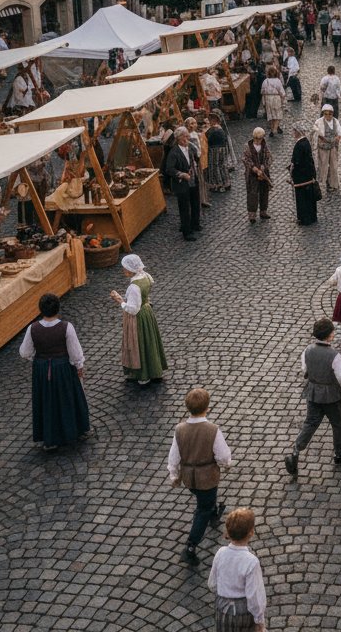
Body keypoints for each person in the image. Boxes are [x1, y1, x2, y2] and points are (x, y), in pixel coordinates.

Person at [284, 317, 341, 478]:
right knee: (337, 424)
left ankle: (296, 450)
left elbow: (305, 369)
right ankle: (340, 454)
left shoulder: (307, 351)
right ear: (330, 335)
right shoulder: (334, 355)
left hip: (313, 393)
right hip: (331, 396)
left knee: (310, 423)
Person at [167, 387, 232, 566]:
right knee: (202, 509)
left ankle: (212, 510)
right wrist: (226, 464)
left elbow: (174, 455)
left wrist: (173, 474)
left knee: (204, 498)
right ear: (207, 407)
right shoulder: (212, 430)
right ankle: (191, 545)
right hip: (207, 477)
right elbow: (223, 456)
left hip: (189, 478)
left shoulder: (180, 429)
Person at [19, 292, 90, 450]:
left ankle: (50, 438)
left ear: (41, 310)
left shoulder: (33, 328)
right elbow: (75, 352)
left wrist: (39, 360)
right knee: (68, 398)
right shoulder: (67, 327)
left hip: (42, 370)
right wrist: (79, 367)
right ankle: (73, 431)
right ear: (58, 309)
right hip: (64, 369)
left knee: (47, 401)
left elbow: (24, 352)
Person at [110, 253, 167, 386]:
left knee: (138, 343)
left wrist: (120, 301)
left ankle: (143, 374)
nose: (123, 270)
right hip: (147, 311)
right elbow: (150, 285)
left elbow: (133, 309)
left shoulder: (134, 287)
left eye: (125, 268)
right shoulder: (146, 276)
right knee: (150, 341)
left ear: (130, 270)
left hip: (139, 317)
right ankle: (154, 370)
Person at [208, 508, 267, 632]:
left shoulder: (220, 553)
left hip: (222, 608)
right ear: (251, 533)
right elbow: (255, 596)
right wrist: (259, 621)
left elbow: (212, 584)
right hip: (243, 613)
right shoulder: (251, 561)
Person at [165, 126, 202, 241]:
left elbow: (197, 157)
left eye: (188, 136)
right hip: (182, 183)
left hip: (193, 179)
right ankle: (187, 231)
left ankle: (195, 223)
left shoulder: (190, 147)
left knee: (195, 202)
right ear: (179, 138)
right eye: (185, 136)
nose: (188, 138)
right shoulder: (174, 152)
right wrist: (181, 174)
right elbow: (169, 169)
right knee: (184, 207)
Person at [289, 124, 319, 226]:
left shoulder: (299, 144)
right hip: (309, 174)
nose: (293, 133)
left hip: (301, 176)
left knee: (302, 198)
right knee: (309, 197)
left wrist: (292, 169)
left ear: (297, 132)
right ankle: (312, 217)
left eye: (294, 131)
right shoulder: (306, 142)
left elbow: (296, 161)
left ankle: (304, 218)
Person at [242, 128, 272, 224]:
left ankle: (263, 211)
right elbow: (246, 160)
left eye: (260, 138)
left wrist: (263, 167)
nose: (259, 141)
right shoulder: (248, 146)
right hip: (252, 175)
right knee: (252, 194)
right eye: (257, 139)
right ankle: (252, 215)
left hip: (263, 173)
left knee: (264, 192)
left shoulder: (264, 145)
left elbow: (268, 157)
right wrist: (255, 169)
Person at [313, 104, 341, 191]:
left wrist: (336, 139)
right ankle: (324, 181)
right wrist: (322, 138)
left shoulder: (335, 122)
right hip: (323, 148)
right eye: (326, 114)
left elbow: (339, 133)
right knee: (323, 165)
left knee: (333, 166)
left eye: (330, 114)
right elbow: (316, 133)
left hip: (332, 147)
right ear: (323, 114)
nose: (328, 116)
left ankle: (333, 183)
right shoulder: (319, 122)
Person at [206, 112, 232, 193]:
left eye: (210, 121)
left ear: (213, 120)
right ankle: (226, 183)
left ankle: (217, 184)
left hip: (215, 149)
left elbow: (207, 136)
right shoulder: (220, 128)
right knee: (223, 165)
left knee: (215, 166)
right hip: (223, 148)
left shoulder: (213, 129)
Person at [260, 66, 284, 136]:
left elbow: (262, 92)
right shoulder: (278, 81)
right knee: (278, 114)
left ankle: (272, 128)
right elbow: (282, 92)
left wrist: (263, 102)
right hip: (276, 98)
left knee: (270, 114)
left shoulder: (265, 81)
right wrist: (283, 99)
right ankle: (274, 129)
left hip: (268, 98)